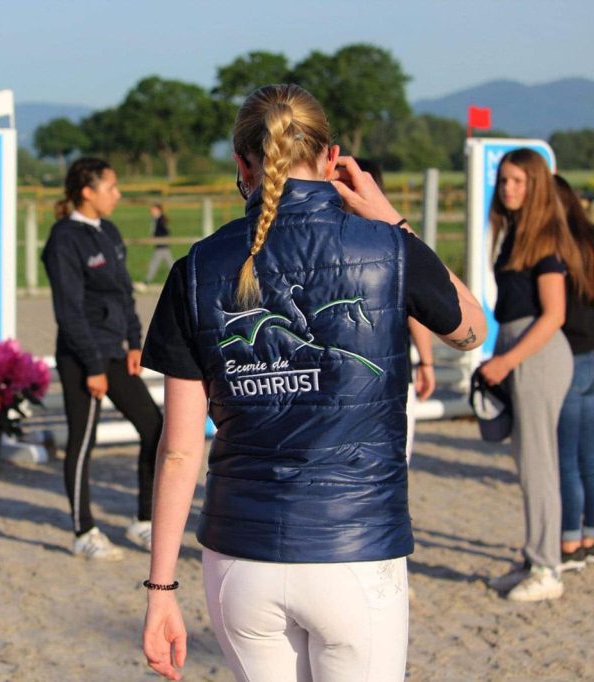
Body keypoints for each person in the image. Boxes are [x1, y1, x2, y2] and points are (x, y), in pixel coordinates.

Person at [139, 84, 485, 681]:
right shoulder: (387, 247)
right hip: (355, 547)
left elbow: (178, 450)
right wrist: (392, 220)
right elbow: (471, 330)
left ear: (242, 164)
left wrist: (160, 589)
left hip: (240, 556)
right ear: (332, 159)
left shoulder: (195, 268)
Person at [41, 157, 164, 560]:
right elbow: (69, 311)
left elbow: (124, 293)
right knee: (83, 440)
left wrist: (135, 342)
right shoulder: (63, 239)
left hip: (116, 351)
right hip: (82, 356)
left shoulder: (108, 231)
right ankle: (84, 532)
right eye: (111, 187)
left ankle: (144, 520)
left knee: (155, 428)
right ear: (87, 192)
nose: (118, 194)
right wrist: (93, 367)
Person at [481, 150, 589, 602]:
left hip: (537, 353)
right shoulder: (514, 234)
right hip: (518, 346)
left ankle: (547, 568)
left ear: (536, 186)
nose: (508, 189)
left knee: (540, 465)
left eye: (518, 181)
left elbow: (554, 314)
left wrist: (506, 361)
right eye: (504, 180)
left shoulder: (543, 239)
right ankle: (534, 558)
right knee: (528, 463)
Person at [355, 158, 436, 457]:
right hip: (391, 370)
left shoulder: (322, 242)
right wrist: (426, 362)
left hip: (343, 372)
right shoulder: (394, 242)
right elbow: (418, 306)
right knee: (393, 461)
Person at [553, 174, 594, 570]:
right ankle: (590, 533)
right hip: (592, 353)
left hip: (569, 353)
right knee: (588, 455)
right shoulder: (589, 239)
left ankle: (569, 539)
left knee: (565, 457)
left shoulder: (555, 247)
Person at [141, 202, 174, 287]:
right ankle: (183, 280)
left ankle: (146, 282)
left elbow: (164, 232)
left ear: (158, 210)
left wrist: (156, 239)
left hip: (161, 246)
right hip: (161, 246)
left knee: (154, 264)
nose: (151, 211)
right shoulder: (156, 219)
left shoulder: (160, 220)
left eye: (153, 209)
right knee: (170, 264)